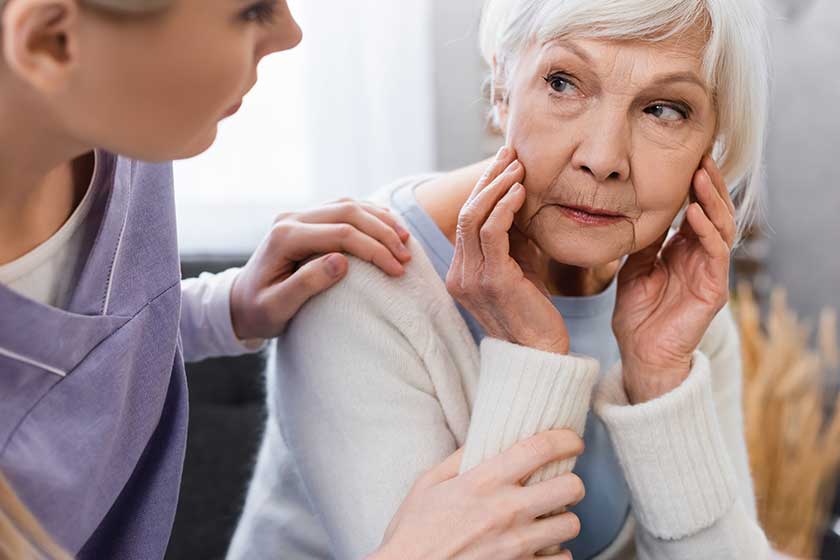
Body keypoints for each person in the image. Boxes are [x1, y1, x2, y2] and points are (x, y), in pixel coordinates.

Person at [0, 1, 583, 558]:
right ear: (53, 41)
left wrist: (223, 309)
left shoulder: (118, 128)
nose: (291, 35)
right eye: (252, 10)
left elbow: (60, 355)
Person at [230, 0, 773, 558]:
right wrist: (531, 351)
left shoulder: (678, 308)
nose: (604, 157)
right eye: (563, 82)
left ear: (711, 146)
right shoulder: (358, 291)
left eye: (664, 109)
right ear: (501, 88)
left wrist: (659, 381)